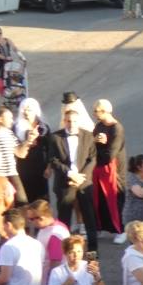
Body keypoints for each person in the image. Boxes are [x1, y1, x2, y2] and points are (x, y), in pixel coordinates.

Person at [48, 106, 99, 252]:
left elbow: (92, 159)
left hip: (84, 182)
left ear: (79, 121)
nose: (71, 124)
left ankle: (92, 259)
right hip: (65, 183)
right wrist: (71, 174)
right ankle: (64, 256)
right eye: (68, 121)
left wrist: (81, 177)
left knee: (90, 221)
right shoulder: (55, 137)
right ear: (64, 121)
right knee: (64, 223)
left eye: (74, 121)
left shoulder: (88, 136)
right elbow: (53, 160)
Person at [91, 99, 127, 242]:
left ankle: (120, 230)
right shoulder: (99, 126)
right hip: (99, 168)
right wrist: (96, 142)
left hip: (114, 170)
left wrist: (103, 144)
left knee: (115, 199)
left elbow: (111, 153)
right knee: (99, 199)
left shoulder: (116, 128)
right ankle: (100, 227)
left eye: (97, 111)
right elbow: (91, 146)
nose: (94, 114)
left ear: (105, 111)